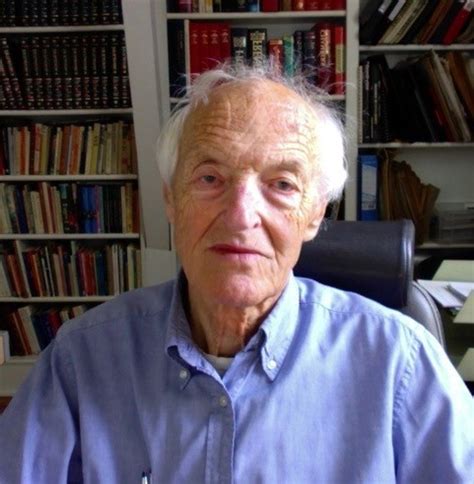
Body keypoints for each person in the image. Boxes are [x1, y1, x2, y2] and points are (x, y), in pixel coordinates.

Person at [0, 64, 473, 483]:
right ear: (171, 199)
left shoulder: (402, 365)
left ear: (315, 215)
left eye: (282, 184)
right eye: (210, 178)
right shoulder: (81, 360)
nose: (240, 215)